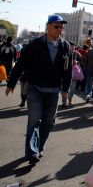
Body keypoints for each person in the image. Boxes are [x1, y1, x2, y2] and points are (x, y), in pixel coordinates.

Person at [5, 14, 73, 164]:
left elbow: (68, 70)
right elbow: (21, 64)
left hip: (54, 91)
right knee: (35, 119)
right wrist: (11, 83)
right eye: (56, 27)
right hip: (35, 89)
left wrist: (66, 89)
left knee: (48, 122)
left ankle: (39, 147)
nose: (59, 30)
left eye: (61, 28)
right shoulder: (35, 44)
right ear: (48, 27)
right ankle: (32, 152)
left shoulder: (65, 46)